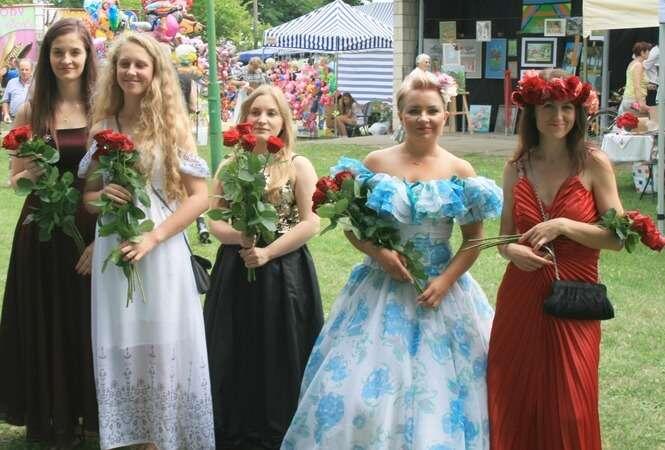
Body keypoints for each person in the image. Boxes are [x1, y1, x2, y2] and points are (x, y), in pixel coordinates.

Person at [282, 69, 502, 449]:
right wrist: (379, 253)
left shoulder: (460, 171)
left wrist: (445, 281)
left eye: (432, 110)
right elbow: (351, 224)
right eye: (414, 111)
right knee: (357, 393)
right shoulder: (376, 163)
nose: (423, 119)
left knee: (448, 389)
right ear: (400, 115)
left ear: (445, 114)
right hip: (379, 288)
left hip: (440, 292)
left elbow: (473, 240)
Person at [79, 32, 214, 450]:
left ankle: (163, 436)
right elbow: (88, 198)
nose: (131, 71)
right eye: (124, 64)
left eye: (140, 64)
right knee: (121, 334)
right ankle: (132, 438)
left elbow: (201, 198)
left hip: (161, 245)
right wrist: (103, 196)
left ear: (155, 71)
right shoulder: (102, 128)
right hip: (114, 247)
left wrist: (154, 237)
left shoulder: (172, 127)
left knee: (163, 333)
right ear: (113, 71)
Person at [487, 69, 623, 450]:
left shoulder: (593, 163)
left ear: (578, 113)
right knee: (513, 397)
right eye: (548, 106)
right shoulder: (516, 168)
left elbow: (617, 238)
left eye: (567, 107)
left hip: (574, 299)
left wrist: (563, 225)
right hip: (521, 299)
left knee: (571, 407)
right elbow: (505, 237)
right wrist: (511, 251)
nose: (558, 116)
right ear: (532, 112)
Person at [204, 84, 324, 450]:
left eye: (271, 113)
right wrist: (240, 238)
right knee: (235, 344)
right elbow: (214, 219)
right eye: (255, 112)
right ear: (243, 119)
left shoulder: (297, 165)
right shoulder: (230, 166)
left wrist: (268, 253)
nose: (262, 119)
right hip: (236, 268)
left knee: (280, 347)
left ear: (283, 121)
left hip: (285, 272)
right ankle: (235, 423)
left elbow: (310, 222)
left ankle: (280, 424)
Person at [0, 18, 98, 448]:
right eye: (58, 52)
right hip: (42, 227)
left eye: (75, 52)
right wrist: (30, 175)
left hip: (89, 225)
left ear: (88, 56)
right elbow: (14, 177)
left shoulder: (103, 108)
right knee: (48, 318)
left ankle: (90, 414)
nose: (66, 60)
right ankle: (53, 415)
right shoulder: (32, 109)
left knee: (86, 318)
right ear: (47, 58)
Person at [231, 56, 268, 123]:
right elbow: (232, 81)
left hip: (255, 94)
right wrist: (242, 83)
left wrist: (257, 90)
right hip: (244, 95)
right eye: (254, 67)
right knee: (242, 112)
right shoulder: (242, 70)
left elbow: (263, 84)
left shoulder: (259, 71)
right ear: (250, 64)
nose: (255, 69)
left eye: (257, 68)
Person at [618, 41, 652, 114]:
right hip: (634, 101)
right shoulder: (638, 66)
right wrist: (641, 103)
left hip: (629, 99)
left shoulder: (632, 63)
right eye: (648, 51)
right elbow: (637, 86)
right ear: (642, 52)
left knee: (631, 121)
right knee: (647, 117)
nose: (649, 53)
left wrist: (649, 86)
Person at [2, 59, 33, 123]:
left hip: (32, 121)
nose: (24, 72)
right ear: (18, 70)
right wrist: (6, 114)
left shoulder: (37, 83)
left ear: (31, 71)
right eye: (22, 69)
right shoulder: (11, 82)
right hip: (14, 119)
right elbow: (5, 101)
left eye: (26, 69)